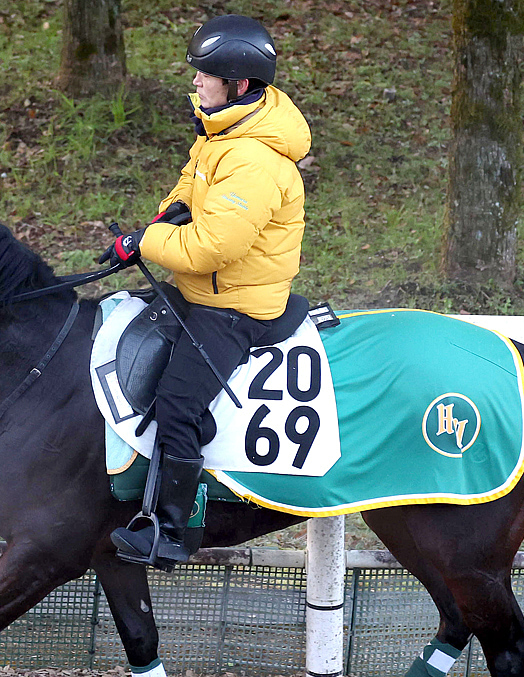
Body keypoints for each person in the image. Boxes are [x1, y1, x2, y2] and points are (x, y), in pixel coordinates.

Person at [99, 14, 312, 567]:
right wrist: (169, 212)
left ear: (238, 86)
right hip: (203, 291)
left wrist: (144, 240)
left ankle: (171, 533)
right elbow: (192, 186)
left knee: (177, 404)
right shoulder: (222, 133)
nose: (195, 82)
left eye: (205, 75)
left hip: (235, 307)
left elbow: (212, 248)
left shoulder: (253, 160)